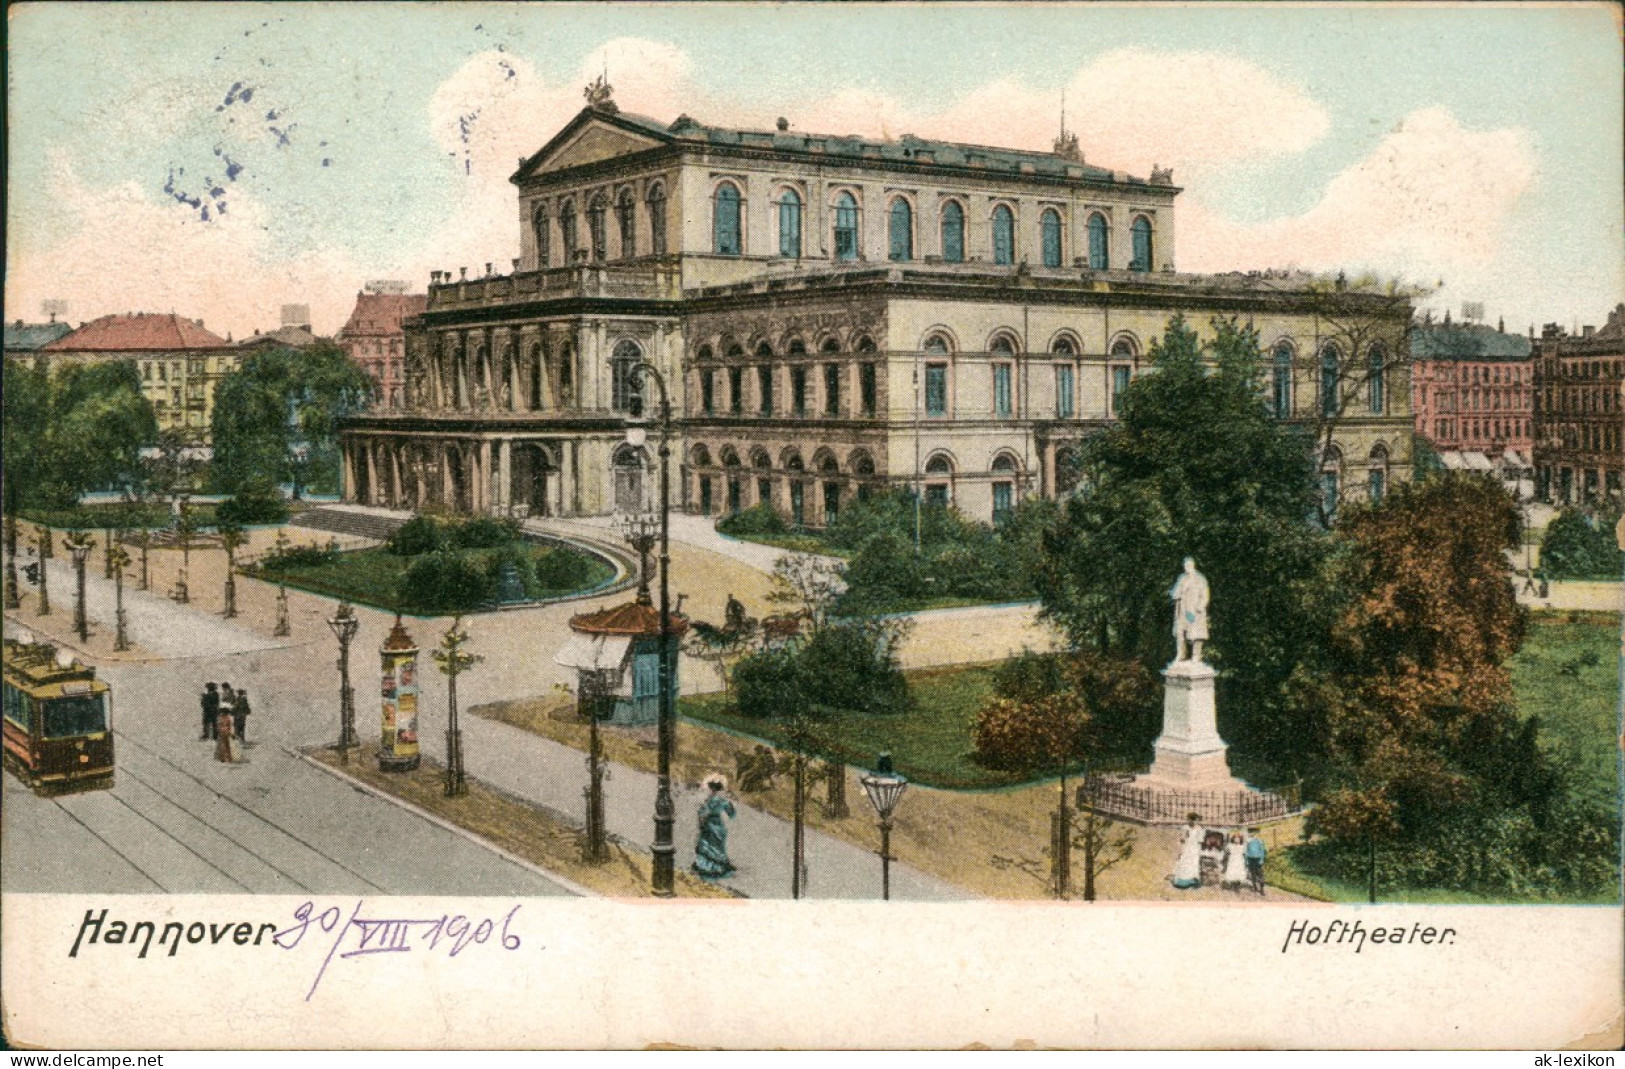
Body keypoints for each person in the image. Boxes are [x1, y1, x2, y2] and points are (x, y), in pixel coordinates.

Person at [691, 774, 737, 880]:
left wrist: (701, 824)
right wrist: (730, 803)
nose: (712, 790)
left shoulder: (709, 800)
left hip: (709, 824)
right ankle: (718, 866)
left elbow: (702, 814)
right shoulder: (723, 800)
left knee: (706, 846)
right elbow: (732, 814)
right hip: (719, 826)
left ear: (712, 788)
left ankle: (707, 868)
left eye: (712, 788)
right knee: (718, 847)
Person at [1169, 558, 1210, 662]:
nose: (1187, 568)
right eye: (1186, 566)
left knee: (1196, 633)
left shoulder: (1200, 579)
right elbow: (1174, 594)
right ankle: (1180, 654)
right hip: (1182, 610)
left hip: (1194, 611)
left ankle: (1196, 656)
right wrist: (1178, 590)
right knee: (1180, 632)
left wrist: (1200, 606)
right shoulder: (1181, 578)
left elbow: (1205, 595)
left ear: (1193, 566)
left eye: (1189, 565)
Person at [1169, 813, 1203, 890]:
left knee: (1193, 864)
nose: (1194, 822)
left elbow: (1200, 841)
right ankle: (1182, 882)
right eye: (1191, 820)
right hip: (1186, 847)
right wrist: (1180, 849)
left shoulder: (1199, 829)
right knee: (1184, 863)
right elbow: (1182, 839)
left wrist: (1199, 851)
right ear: (1189, 820)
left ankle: (1193, 881)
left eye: (1196, 821)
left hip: (1195, 848)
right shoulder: (1185, 828)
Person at [1244, 827, 1268, 895]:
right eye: (1251, 833)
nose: (1253, 835)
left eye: (1255, 833)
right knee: (1253, 873)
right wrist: (1246, 861)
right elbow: (1246, 851)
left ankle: (1262, 889)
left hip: (1258, 860)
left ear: (1258, 834)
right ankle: (1254, 886)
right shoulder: (1248, 841)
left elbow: (1262, 851)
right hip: (1250, 860)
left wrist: (1261, 859)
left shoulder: (1260, 841)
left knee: (1261, 874)